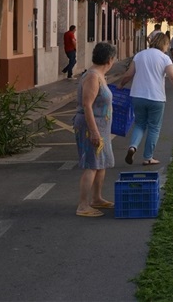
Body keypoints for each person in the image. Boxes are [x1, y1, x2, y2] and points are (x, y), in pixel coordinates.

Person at [119, 33, 173, 166]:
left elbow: (129, 74)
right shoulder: (164, 58)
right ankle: (148, 157)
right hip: (156, 97)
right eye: (167, 44)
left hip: (138, 96)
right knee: (154, 128)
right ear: (164, 44)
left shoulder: (139, 55)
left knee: (139, 124)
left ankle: (133, 147)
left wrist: (121, 85)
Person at [72, 42, 118, 217]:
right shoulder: (92, 77)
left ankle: (96, 198)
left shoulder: (99, 75)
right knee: (92, 164)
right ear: (109, 59)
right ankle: (83, 205)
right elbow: (87, 105)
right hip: (91, 126)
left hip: (101, 126)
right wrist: (94, 132)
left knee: (101, 163)